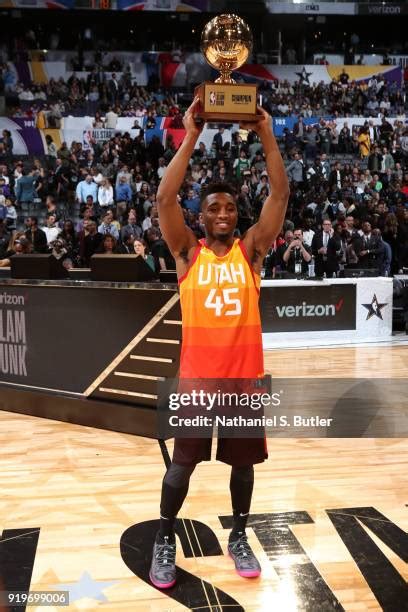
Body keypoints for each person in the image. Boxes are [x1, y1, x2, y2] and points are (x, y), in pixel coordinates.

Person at [149, 98, 289, 588]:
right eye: (214, 208)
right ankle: (164, 536)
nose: (224, 213)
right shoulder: (188, 253)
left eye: (230, 207)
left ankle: (239, 535)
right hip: (197, 382)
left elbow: (280, 195)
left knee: (243, 466)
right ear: (202, 218)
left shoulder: (252, 252)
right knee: (182, 465)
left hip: (244, 383)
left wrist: (266, 133)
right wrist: (190, 134)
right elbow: (165, 201)